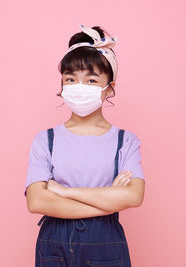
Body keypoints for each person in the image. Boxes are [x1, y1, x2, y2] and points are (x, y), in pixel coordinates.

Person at [24, 24, 145, 267]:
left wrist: (64, 191)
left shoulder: (126, 141)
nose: (79, 87)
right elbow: (37, 202)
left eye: (91, 79)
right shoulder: (45, 140)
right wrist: (108, 199)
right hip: (53, 243)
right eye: (71, 79)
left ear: (109, 87)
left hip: (106, 244)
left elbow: (133, 196)